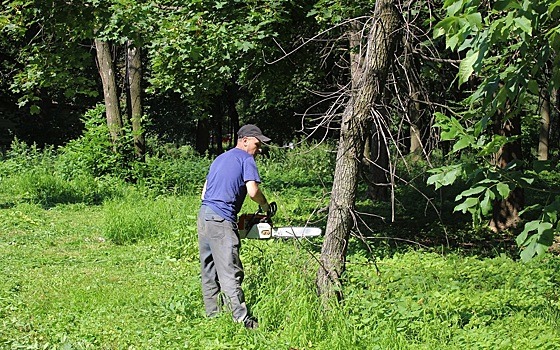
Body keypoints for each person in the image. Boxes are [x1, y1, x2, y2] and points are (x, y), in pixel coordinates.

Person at [197, 124, 273, 329]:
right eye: (257, 145)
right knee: (230, 270)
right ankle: (241, 320)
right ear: (245, 140)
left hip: (204, 215)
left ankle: (212, 315)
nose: (258, 150)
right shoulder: (246, 159)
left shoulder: (220, 158)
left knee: (209, 269)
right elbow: (252, 191)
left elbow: (205, 192)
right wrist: (265, 206)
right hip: (221, 218)